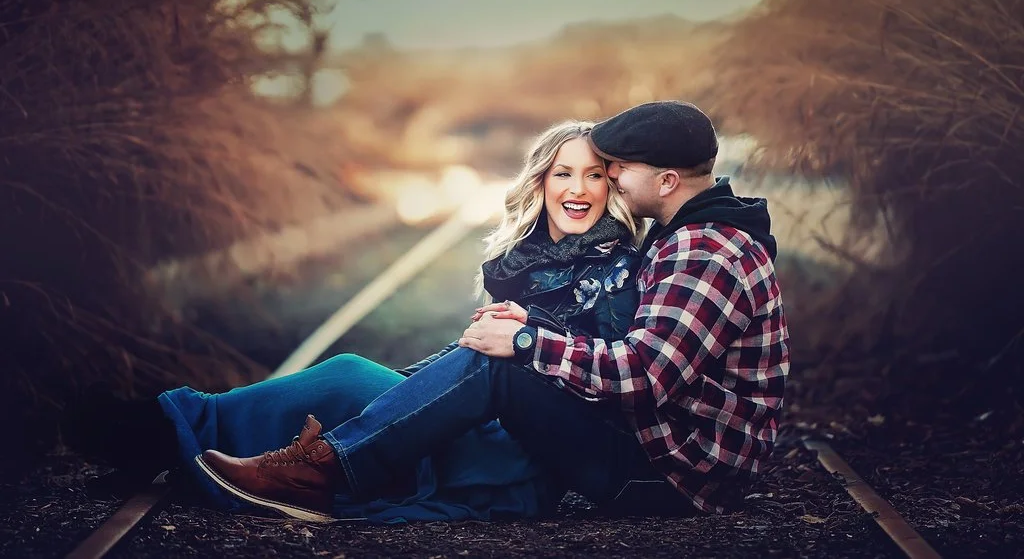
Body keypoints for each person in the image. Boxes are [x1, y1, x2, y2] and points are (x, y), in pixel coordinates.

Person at [197, 100, 790, 520]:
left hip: (672, 476)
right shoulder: (687, 238)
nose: (610, 178)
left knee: (500, 363)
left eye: (618, 169)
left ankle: (322, 471)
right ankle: (286, 452)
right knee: (424, 365)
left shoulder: (704, 249)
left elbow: (642, 376)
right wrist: (520, 332)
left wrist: (528, 343)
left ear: (664, 181)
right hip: (663, 456)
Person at [64, 120, 643, 523]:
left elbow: (604, 375)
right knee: (354, 382)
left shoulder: (617, 268)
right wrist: (420, 388)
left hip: (524, 458)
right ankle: (173, 440)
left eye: (594, 176)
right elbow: (468, 363)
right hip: (485, 422)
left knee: (346, 377)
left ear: (612, 187)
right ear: (541, 182)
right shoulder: (530, 260)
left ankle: (166, 434)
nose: (578, 189)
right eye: (563, 174)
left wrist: (529, 337)